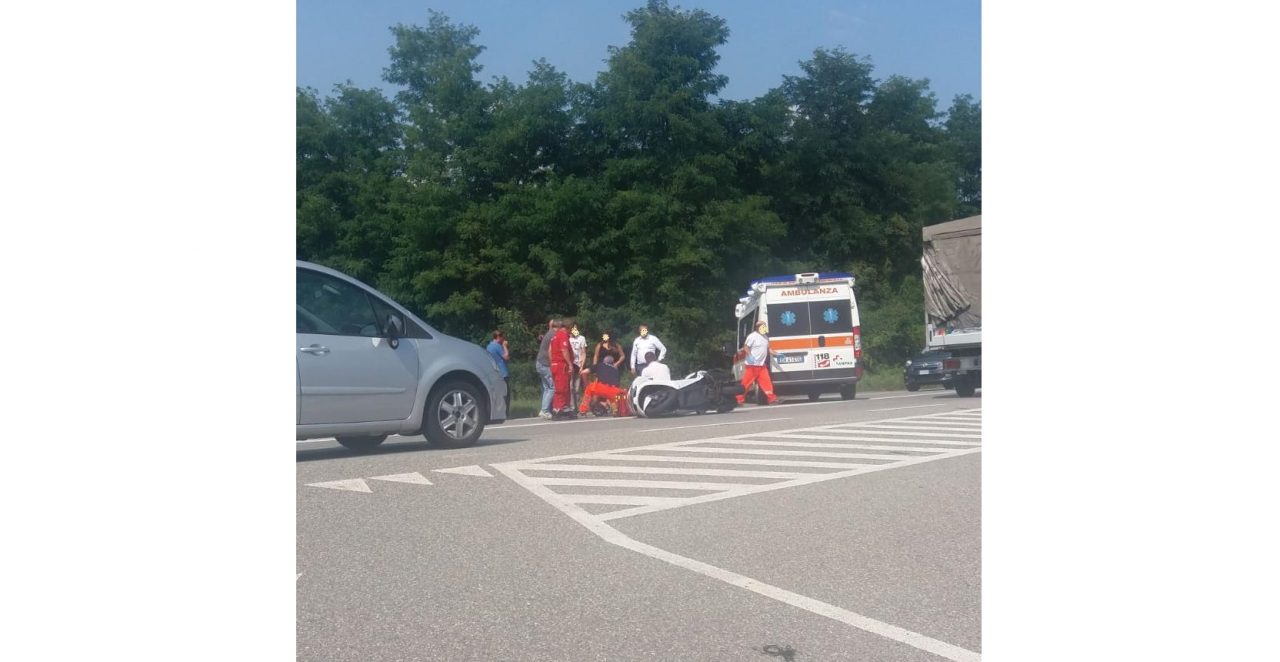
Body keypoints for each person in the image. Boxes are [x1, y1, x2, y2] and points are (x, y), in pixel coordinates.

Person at [736, 320, 778, 405]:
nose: (764, 327)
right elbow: (746, 347)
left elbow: (768, 349)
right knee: (746, 384)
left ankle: (772, 398)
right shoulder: (752, 336)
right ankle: (739, 399)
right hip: (752, 366)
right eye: (762, 326)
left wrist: (777, 354)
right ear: (757, 327)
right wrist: (750, 356)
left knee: (767, 382)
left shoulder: (765, 337)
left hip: (761, 366)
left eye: (764, 326)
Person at [550, 318, 576, 419]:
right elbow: (564, 350)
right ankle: (560, 409)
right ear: (568, 327)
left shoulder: (555, 336)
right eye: (572, 328)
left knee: (559, 388)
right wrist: (570, 364)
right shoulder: (563, 335)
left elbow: (551, 351)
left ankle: (560, 407)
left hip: (555, 365)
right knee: (562, 388)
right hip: (561, 365)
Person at [534, 318, 557, 418]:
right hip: (545, 364)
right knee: (552, 387)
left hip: (540, 363)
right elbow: (552, 351)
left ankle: (544, 410)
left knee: (547, 387)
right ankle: (545, 410)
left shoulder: (548, 334)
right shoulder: (553, 335)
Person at [485, 330, 511, 414]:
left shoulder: (488, 346)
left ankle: (496, 411)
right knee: (506, 394)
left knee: (497, 394)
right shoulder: (498, 346)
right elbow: (506, 357)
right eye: (502, 337)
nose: (503, 339)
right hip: (502, 373)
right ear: (499, 337)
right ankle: (505, 413)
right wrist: (505, 346)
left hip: (493, 372)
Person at [568, 323, 588, 410]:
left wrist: (582, 366)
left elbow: (583, 352)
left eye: (576, 328)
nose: (574, 330)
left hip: (578, 364)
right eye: (573, 328)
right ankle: (571, 406)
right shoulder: (568, 338)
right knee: (570, 387)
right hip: (570, 364)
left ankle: (577, 407)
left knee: (576, 388)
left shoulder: (581, 338)